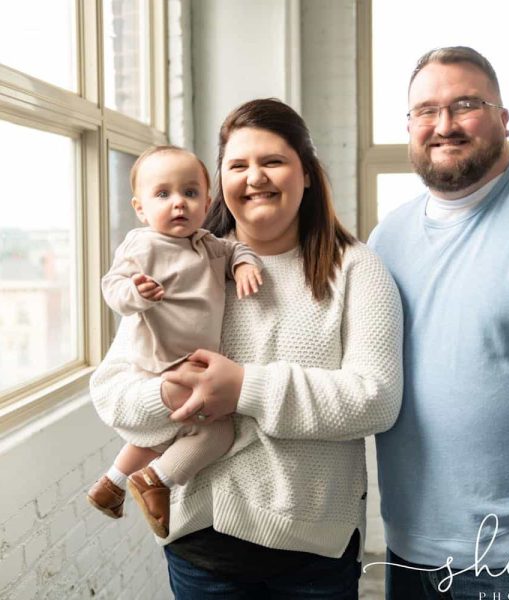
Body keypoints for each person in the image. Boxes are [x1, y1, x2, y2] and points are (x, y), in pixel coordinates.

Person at [90, 98, 403, 599]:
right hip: (202, 551)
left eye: (273, 161)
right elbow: (113, 393)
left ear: (306, 174)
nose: (254, 177)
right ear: (221, 182)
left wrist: (243, 389)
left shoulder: (357, 269)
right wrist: (172, 397)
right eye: (238, 165)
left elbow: (376, 399)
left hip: (315, 553)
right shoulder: (178, 263)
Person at [369, 46, 509, 599]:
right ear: (409, 127)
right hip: (409, 551)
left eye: (465, 105)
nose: (443, 125)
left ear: (502, 118)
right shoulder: (387, 237)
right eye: (426, 111)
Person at [87, 145, 263, 539]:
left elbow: (236, 247)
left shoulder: (209, 244)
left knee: (164, 433)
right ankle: (156, 479)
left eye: (190, 192)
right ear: (140, 208)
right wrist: (137, 293)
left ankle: (112, 485)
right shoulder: (143, 244)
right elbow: (111, 286)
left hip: (192, 363)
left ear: (208, 202)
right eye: (163, 194)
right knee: (217, 434)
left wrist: (244, 263)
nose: (178, 203)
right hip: (160, 363)